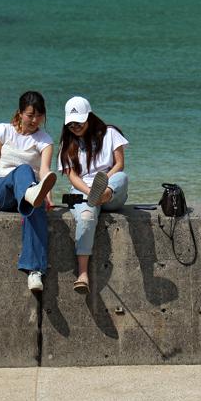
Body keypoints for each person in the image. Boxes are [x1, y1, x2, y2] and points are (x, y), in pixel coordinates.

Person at [0, 90, 57, 293]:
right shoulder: (3, 131)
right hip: (2, 190)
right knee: (23, 170)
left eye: (39, 116)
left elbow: (44, 171)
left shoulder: (45, 140)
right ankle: (32, 194)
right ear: (20, 112)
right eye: (30, 115)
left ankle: (35, 273)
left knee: (35, 203)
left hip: (26, 194)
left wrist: (47, 196)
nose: (35, 120)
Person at [58, 95, 129, 294]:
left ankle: (102, 195)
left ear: (89, 116)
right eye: (70, 124)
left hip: (111, 190)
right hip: (84, 191)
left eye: (78, 122)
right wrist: (90, 193)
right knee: (87, 217)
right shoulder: (67, 144)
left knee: (122, 177)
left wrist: (103, 186)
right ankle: (82, 274)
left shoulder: (111, 133)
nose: (75, 126)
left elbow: (119, 164)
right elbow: (72, 177)